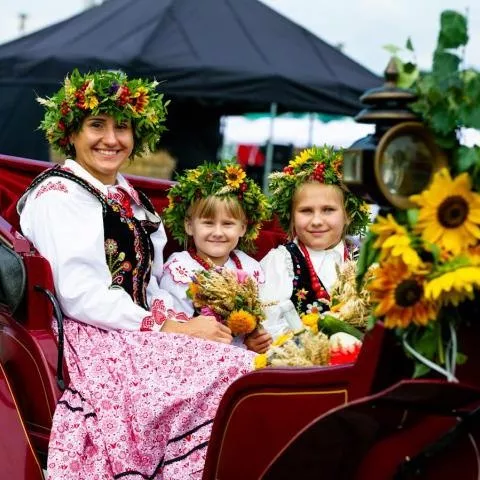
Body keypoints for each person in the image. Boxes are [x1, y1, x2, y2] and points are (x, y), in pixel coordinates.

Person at [17, 69, 256, 479]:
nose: (111, 139)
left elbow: (150, 281)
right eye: (96, 125)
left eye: (122, 127)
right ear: (71, 133)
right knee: (235, 374)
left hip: (129, 325)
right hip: (90, 335)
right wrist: (167, 330)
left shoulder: (128, 195)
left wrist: (181, 319)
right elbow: (80, 295)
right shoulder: (58, 196)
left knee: (242, 359)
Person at [160, 161, 273, 353]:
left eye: (228, 224)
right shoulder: (180, 268)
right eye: (208, 223)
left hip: (241, 357)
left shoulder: (250, 267)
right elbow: (176, 327)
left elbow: (262, 320)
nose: (218, 232)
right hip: (195, 355)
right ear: (189, 225)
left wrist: (253, 341)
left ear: (243, 228)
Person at [260, 146, 371, 339]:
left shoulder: (363, 260)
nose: (317, 221)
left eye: (328, 210)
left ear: (348, 215)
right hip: (299, 364)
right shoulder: (280, 262)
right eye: (306, 211)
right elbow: (268, 328)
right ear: (291, 217)